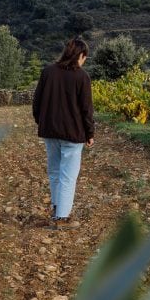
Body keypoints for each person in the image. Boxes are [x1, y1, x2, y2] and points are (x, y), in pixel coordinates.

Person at [32, 37, 95, 227]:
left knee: (54, 172)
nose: (84, 61)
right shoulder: (82, 77)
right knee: (68, 175)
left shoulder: (48, 72)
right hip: (73, 134)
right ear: (81, 55)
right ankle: (62, 217)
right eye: (85, 57)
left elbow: (37, 102)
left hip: (50, 132)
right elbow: (86, 109)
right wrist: (89, 133)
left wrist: (42, 121)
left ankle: (57, 207)